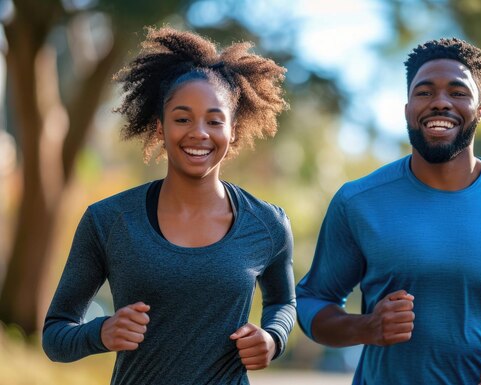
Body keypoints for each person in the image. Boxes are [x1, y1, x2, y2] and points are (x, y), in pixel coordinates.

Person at [296, 38, 481, 385]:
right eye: (425, 92)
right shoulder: (358, 202)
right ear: (407, 109)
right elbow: (313, 300)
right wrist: (366, 327)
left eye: (458, 92)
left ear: (480, 111)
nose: (440, 102)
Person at [43, 26, 295, 385]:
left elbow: (283, 303)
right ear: (160, 127)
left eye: (214, 120)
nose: (199, 133)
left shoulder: (267, 223)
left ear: (234, 129)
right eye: (182, 118)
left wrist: (273, 339)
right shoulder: (109, 220)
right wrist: (101, 333)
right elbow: (55, 335)